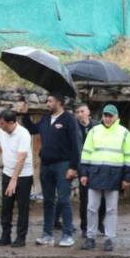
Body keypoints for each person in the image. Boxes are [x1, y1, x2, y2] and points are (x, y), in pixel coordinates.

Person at [20, 95, 80, 247]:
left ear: (60, 102)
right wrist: (25, 114)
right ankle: (47, 235)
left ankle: (67, 235)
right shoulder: (46, 119)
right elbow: (33, 129)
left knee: (64, 200)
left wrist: (73, 167)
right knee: (48, 201)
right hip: (46, 165)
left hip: (63, 165)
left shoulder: (69, 119)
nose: (47, 103)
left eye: (50, 101)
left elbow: (76, 145)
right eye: (47, 101)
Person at [79, 105, 130, 252]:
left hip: (114, 176)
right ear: (102, 116)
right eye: (105, 115)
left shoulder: (124, 133)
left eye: (110, 116)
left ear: (116, 116)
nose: (107, 118)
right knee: (91, 208)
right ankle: (90, 237)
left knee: (111, 209)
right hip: (95, 174)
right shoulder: (94, 131)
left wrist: (127, 178)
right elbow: (86, 154)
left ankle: (109, 239)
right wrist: (84, 174)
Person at [0, 109, 34, 247]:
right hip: (7, 173)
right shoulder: (3, 131)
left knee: (23, 207)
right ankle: (5, 236)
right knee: (6, 206)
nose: (0, 126)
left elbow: (21, 159)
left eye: (3, 124)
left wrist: (14, 180)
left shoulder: (23, 134)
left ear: (12, 122)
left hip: (23, 176)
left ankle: (21, 238)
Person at [74, 103, 105, 237]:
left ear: (88, 113)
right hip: (83, 166)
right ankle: (85, 226)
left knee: (102, 197)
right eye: (77, 112)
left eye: (82, 111)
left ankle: (100, 223)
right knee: (85, 198)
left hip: (98, 165)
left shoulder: (98, 126)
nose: (80, 114)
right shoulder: (74, 127)